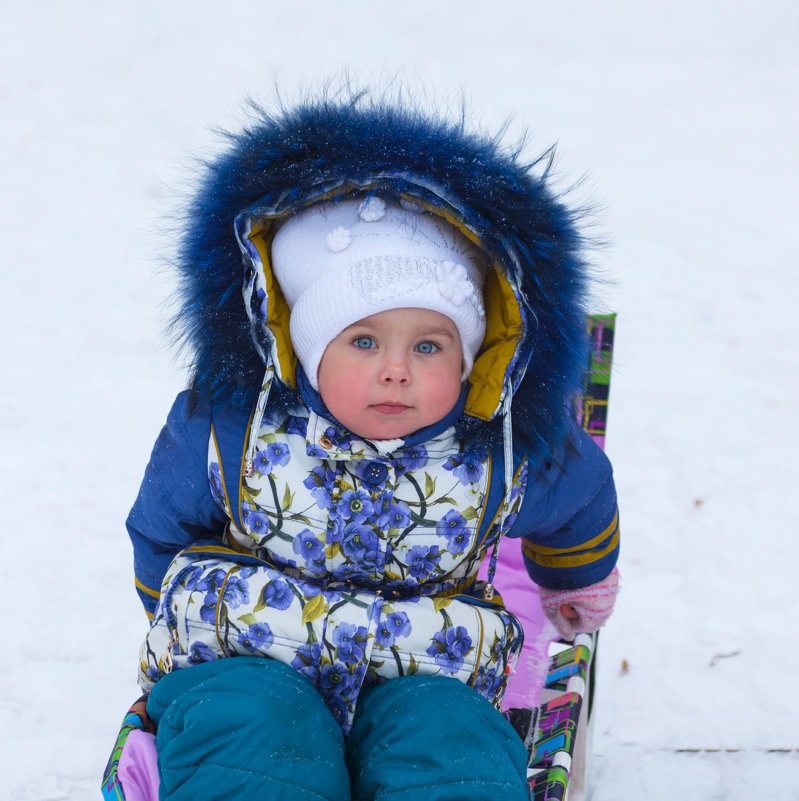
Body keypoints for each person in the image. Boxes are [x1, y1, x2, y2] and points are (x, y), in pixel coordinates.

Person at [123, 88, 620, 801]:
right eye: (362, 340)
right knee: (249, 732)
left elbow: (579, 494)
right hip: (252, 651)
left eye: (428, 344)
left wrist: (576, 578)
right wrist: (173, 613)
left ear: (470, 358)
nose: (396, 368)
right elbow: (161, 520)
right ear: (306, 349)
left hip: (422, 665)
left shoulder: (499, 446)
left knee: (453, 737)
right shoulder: (233, 424)